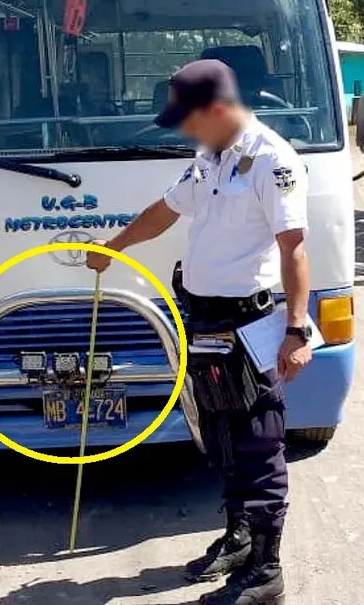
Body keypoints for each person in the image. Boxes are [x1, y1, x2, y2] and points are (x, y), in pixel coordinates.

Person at [86, 59, 312, 605]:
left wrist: (297, 330)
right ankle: (239, 538)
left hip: (250, 324)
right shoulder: (209, 158)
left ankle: (266, 571)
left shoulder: (271, 160)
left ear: (216, 110)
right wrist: (113, 247)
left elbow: (294, 249)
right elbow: (165, 211)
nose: (185, 130)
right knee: (221, 437)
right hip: (207, 323)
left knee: (258, 443)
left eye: (189, 120)